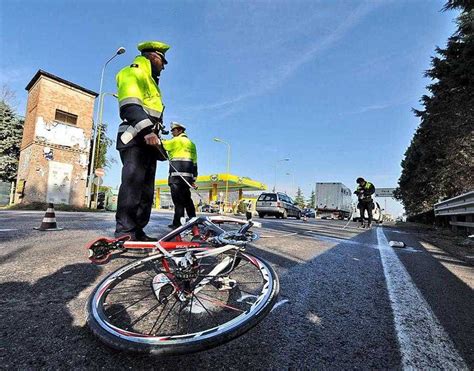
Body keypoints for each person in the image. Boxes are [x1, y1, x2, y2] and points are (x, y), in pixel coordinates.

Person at [114, 40, 170, 241]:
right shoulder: (133, 72)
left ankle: (137, 230)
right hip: (135, 138)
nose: (164, 66)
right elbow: (129, 106)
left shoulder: (150, 81)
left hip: (148, 142)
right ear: (153, 56)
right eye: (163, 61)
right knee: (133, 185)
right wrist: (147, 131)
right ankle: (125, 231)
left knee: (146, 190)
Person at [160, 122, 198, 229]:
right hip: (187, 178)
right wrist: (193, 179)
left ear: (180, 130)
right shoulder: (192, 144)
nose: (172, 133)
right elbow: (195, 163)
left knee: (178, 201)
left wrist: (158, 135)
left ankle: (178, 224)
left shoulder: (176, 140)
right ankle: (193, 221)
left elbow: (163, 144)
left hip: (176, 177)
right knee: (187, 200)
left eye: (173, 130)